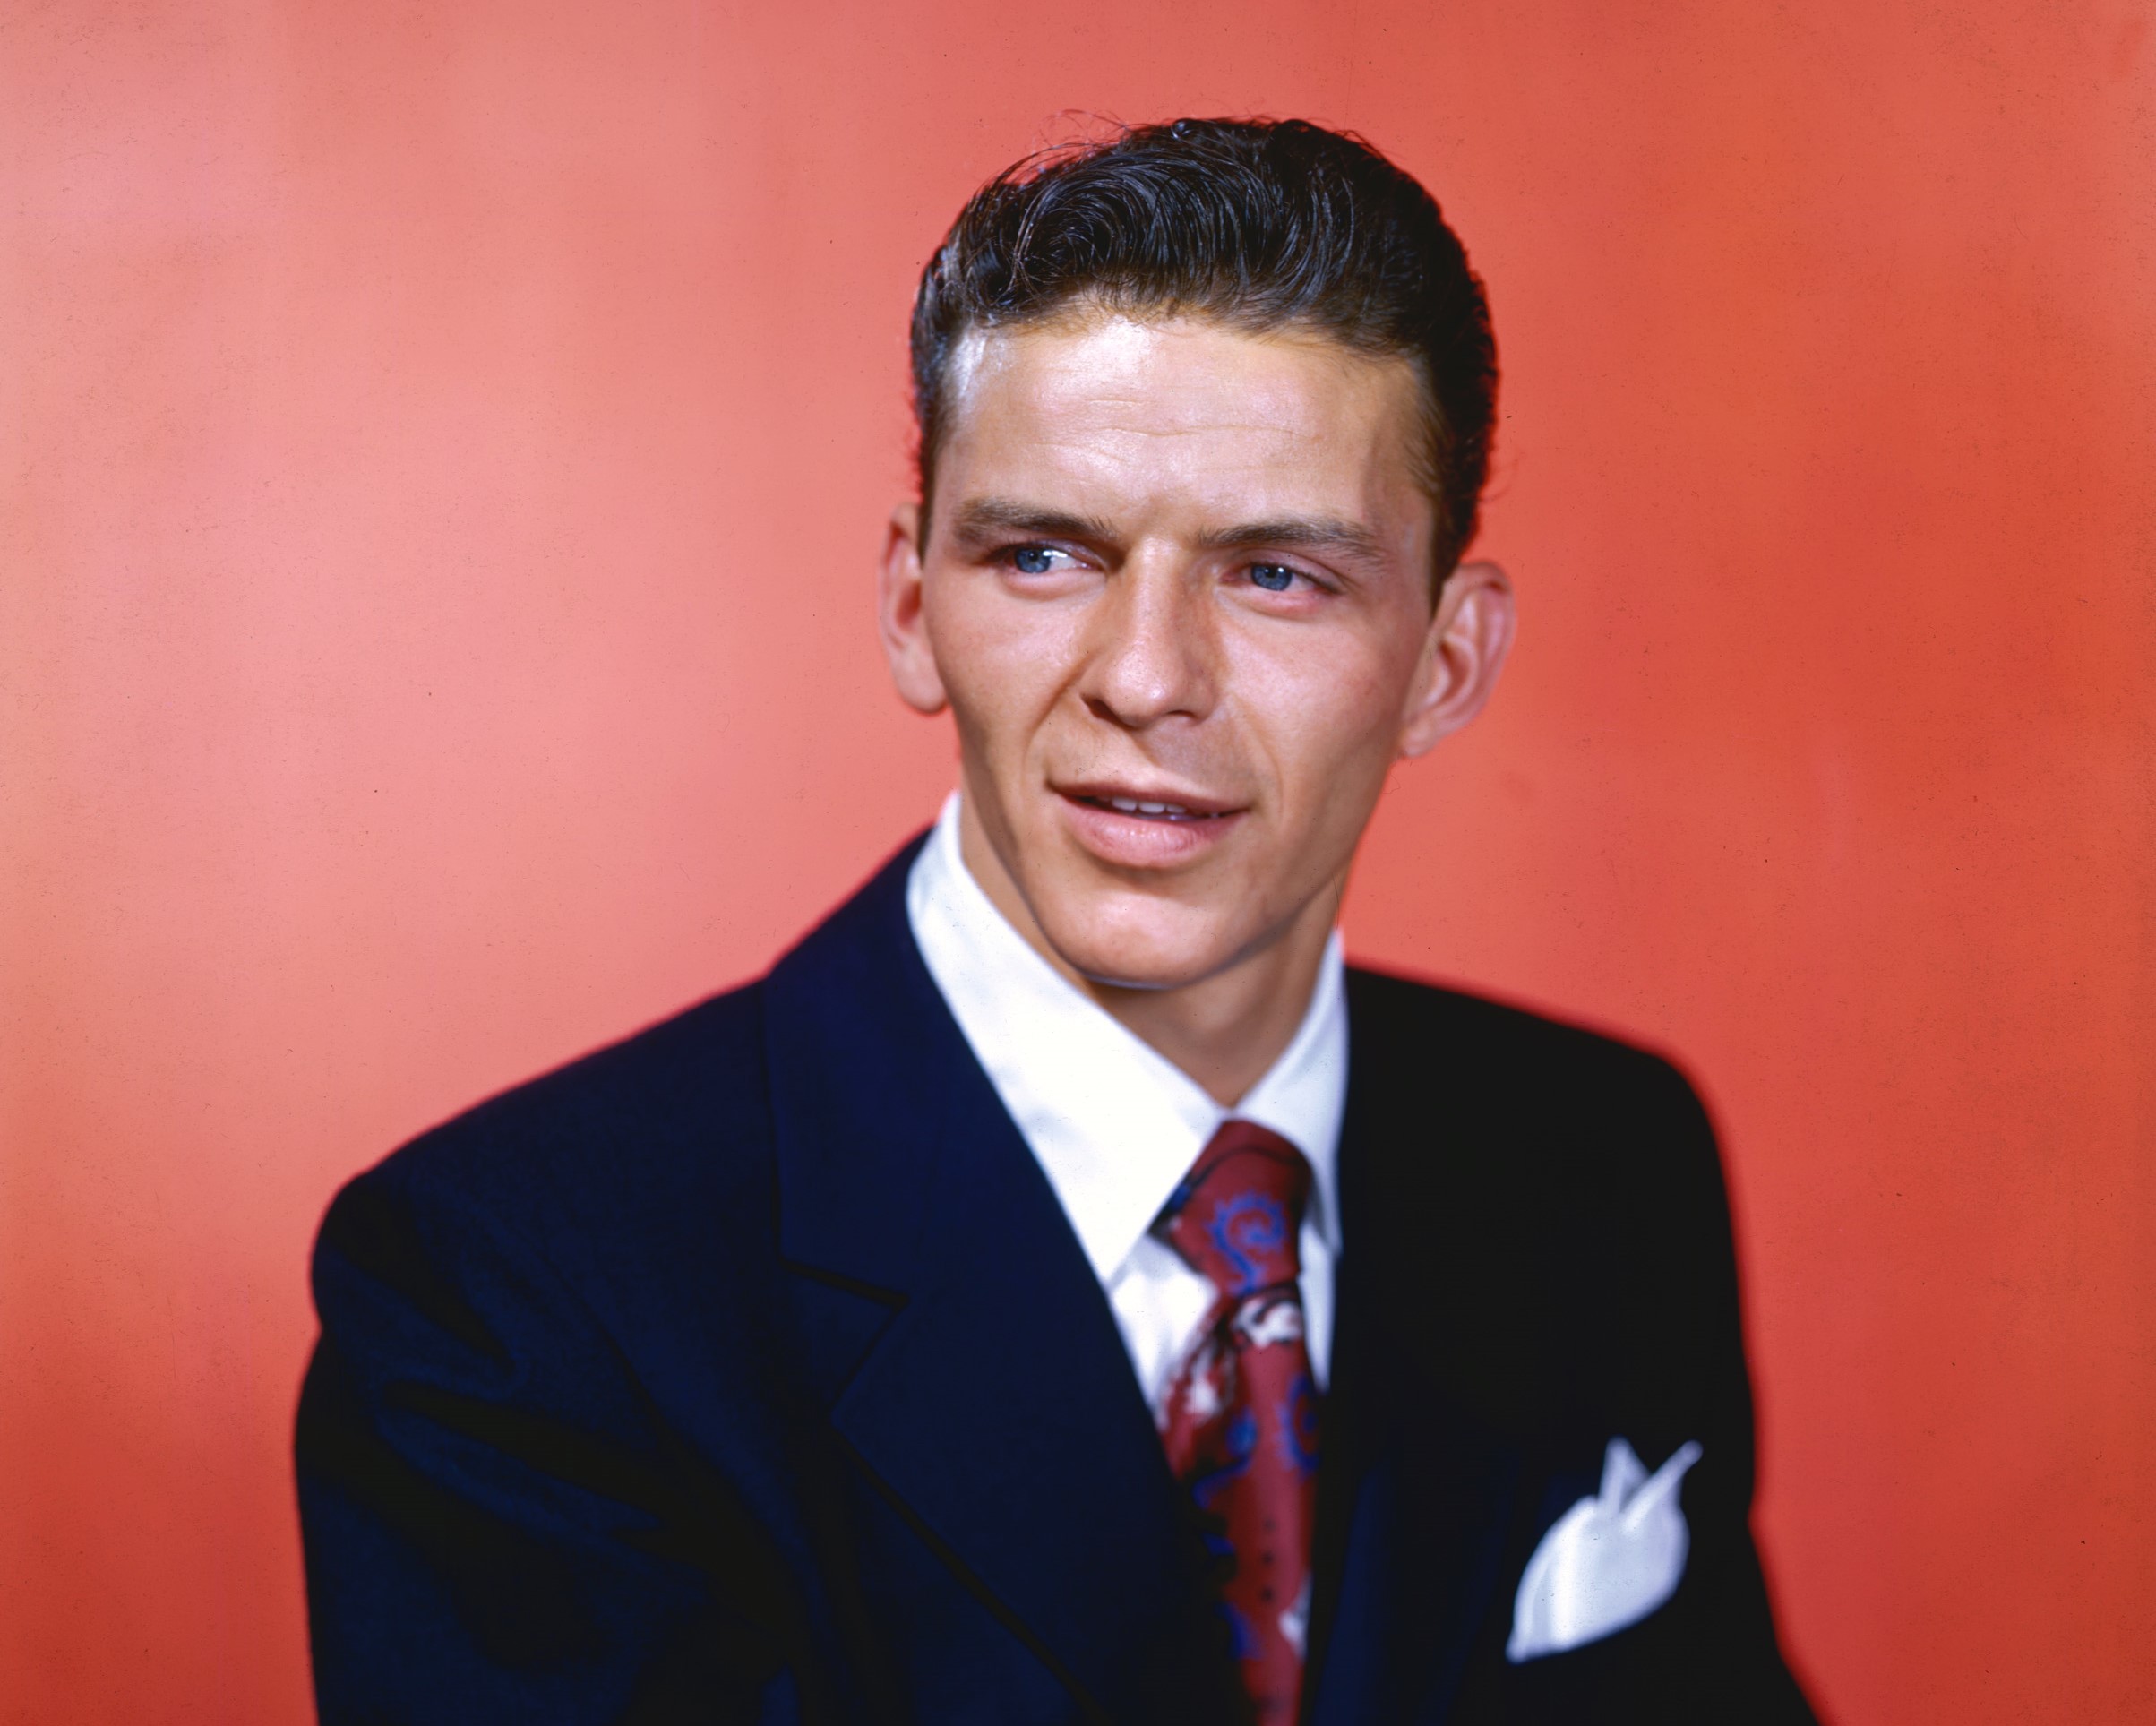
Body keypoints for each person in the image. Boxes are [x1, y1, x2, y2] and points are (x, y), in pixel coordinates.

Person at [296, 118, 1817, 1724]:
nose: (1145, 676)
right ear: (910, 608)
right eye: (1042, 554)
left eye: (1280, 575)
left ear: (1448, 659)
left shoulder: (1601, 1162)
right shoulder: (514, 1299)